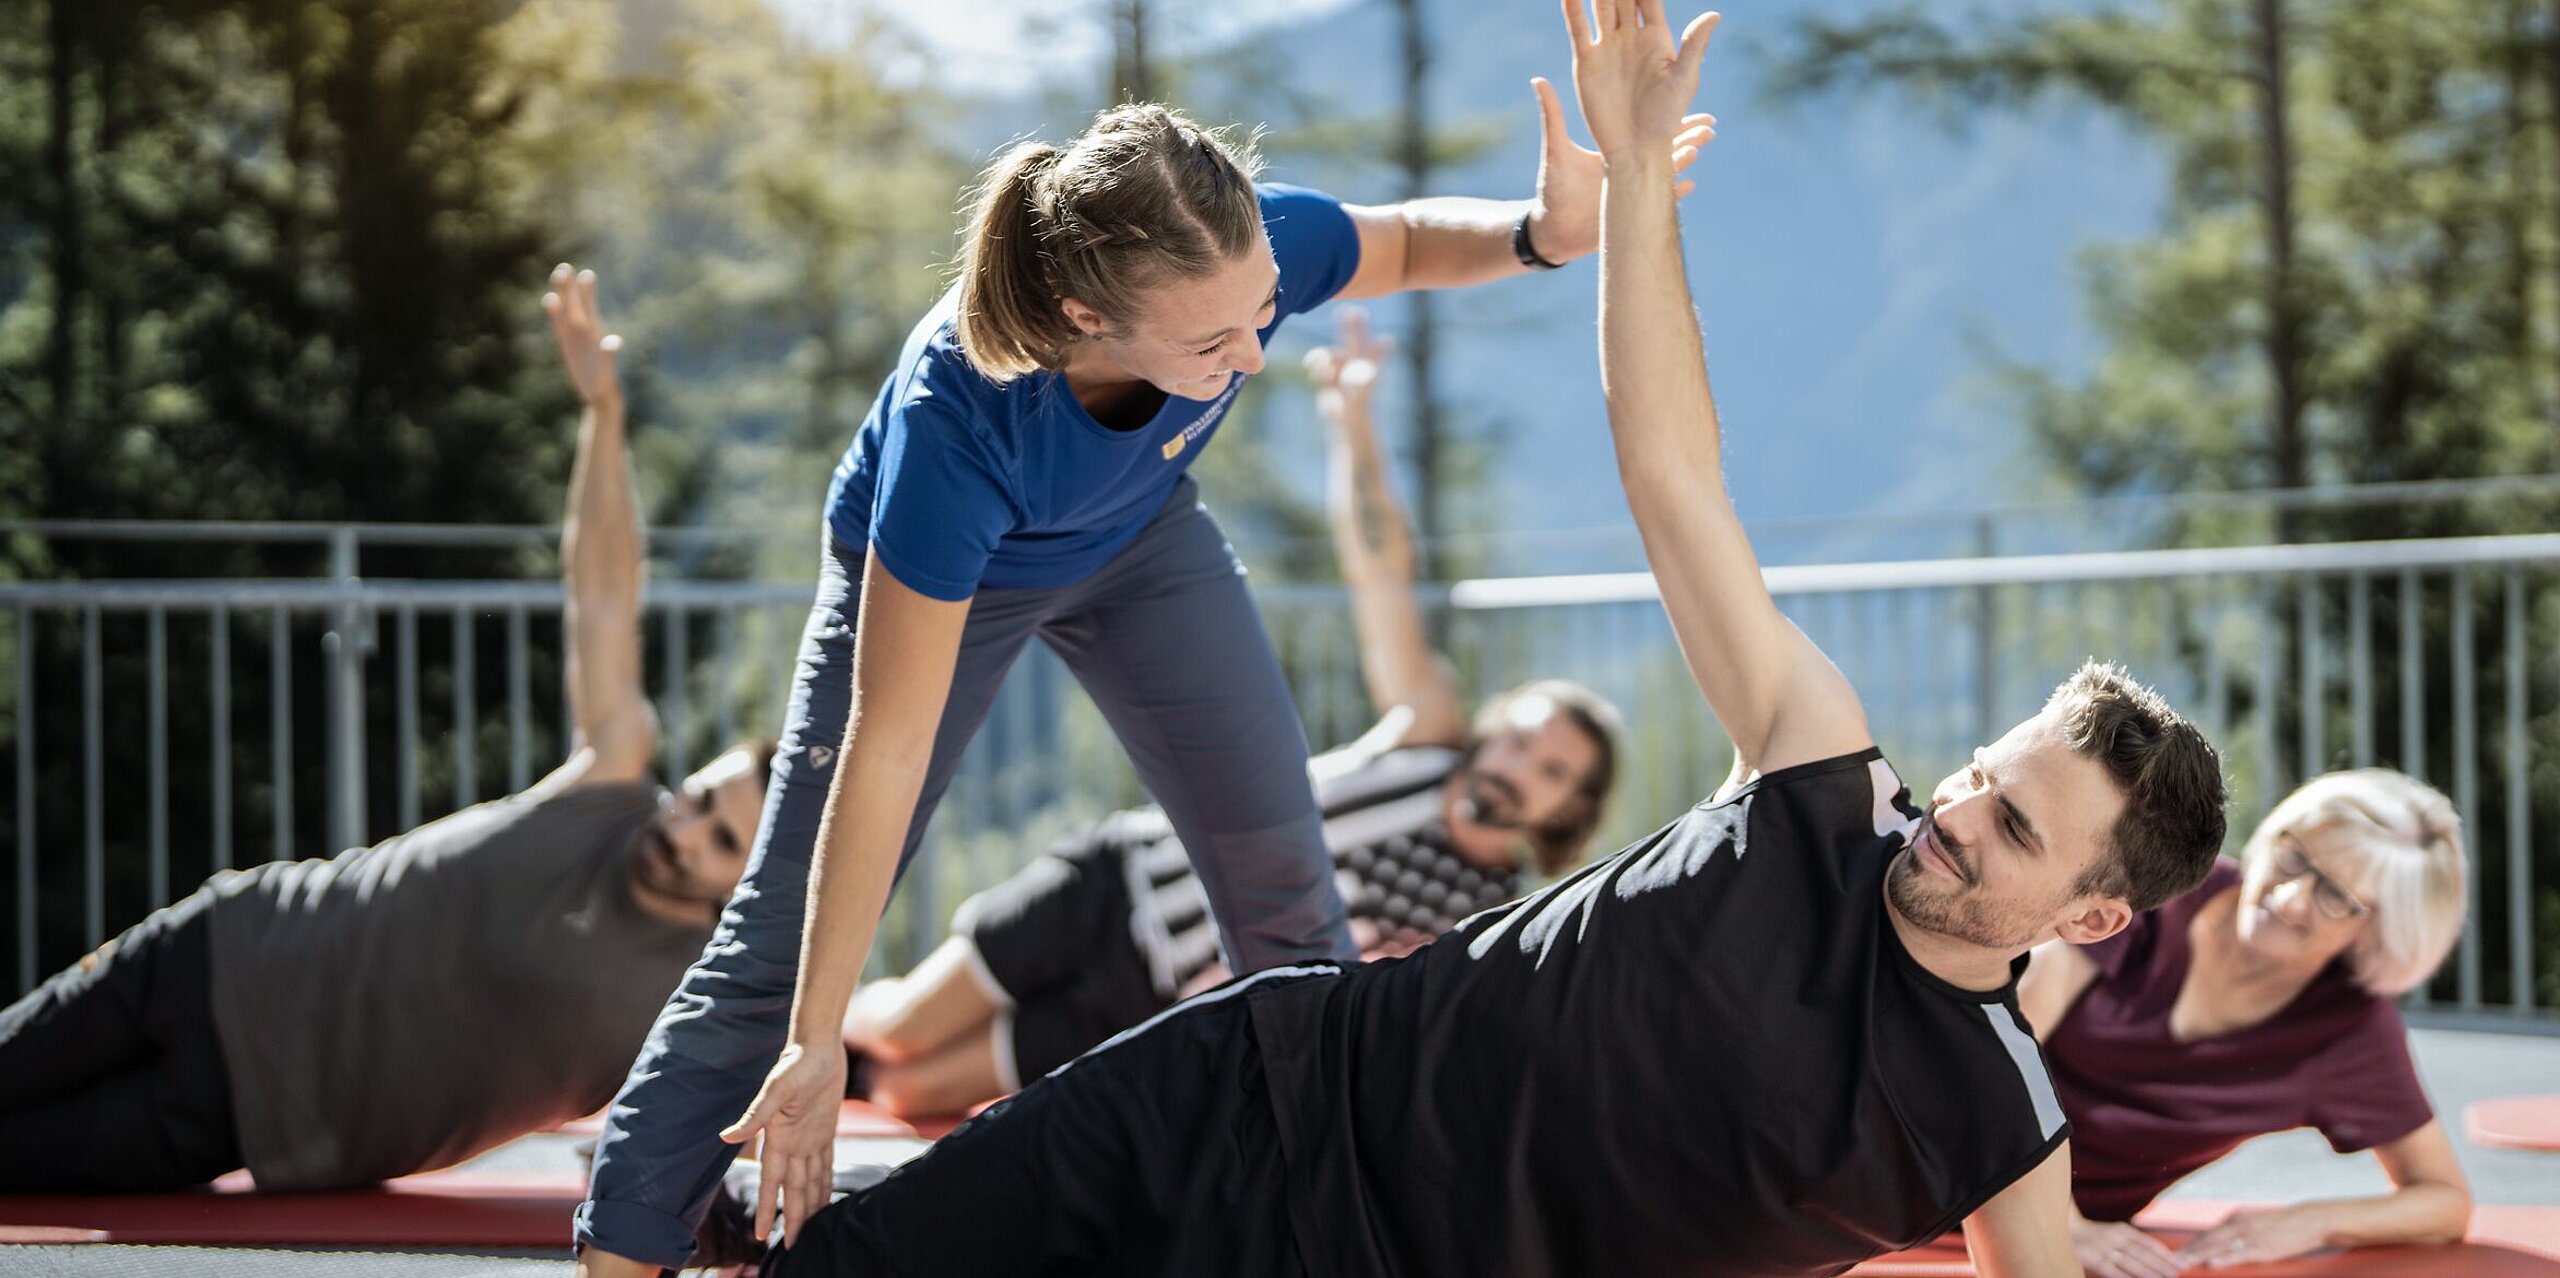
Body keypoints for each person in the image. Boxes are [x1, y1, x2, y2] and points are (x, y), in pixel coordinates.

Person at [744, 6, 2231, 1275]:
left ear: (2093, 916)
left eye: (2016, 825)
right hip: (1266, 1083)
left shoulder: (1994, 1112)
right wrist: (1637, 178)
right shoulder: (1824, 782)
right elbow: (1669, 470)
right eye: (1982, 771)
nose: (1958, 812)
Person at [572, 90, 1719, 1276]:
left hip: (1139, 544)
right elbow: (888, 747)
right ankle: (622, 1252)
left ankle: (1331, 1238)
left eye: (1262, 313)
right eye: (1213, 344)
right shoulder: (957, 429)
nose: (1253, 355)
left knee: (1292, 913)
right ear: (1084, 316)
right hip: (951, 579)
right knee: (779, 940)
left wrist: (1541, 229)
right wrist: (815, 1043)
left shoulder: (1243, 248)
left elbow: (1410, 243)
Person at [0, 265, 769, 1194]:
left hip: (246, 1117)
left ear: (746, 887)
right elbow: (602, 596)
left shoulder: (686, 1003)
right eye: (698, 800)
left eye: (718, 838)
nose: (682, 830)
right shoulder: (613, 781)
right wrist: (603, 417)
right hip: (215, 952)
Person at [839, 310, 1624, 1119]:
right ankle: (767, 1065)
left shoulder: (1489, 918)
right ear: (1493, 729)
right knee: (897, 1028)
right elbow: (1381, 572)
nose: (1520, 768)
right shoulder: (1427, 736)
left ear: (1570, 809)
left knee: (913, 1091)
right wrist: (1351, 425)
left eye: (1552, 771)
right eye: (1523, 740)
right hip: (1121, 882)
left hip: (1150, 994)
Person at [2018, 769, 2474, 1278]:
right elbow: (1996, 1047)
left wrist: (2312, 1222)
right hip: (1939, 1166)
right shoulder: (2159, 885)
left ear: (2378, 931)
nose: (2290, 898)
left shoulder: (2347, 1027)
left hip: (2068, 1244)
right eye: (2295, 857)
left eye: (2335, 897)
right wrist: (2058, 1224)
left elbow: (2444, 1200)